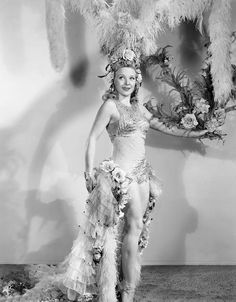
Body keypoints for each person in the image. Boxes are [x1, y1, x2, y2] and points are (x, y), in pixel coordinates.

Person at [62, 49, 207, 302]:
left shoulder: (141, 110)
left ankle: (125, 286)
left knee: (135, 228)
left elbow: (169, 128)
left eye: (131, 78)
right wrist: (88, 172)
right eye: (121, 78)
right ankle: (124, 291)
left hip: (143, 175)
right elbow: (91, 139)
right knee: (125, 229)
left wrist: (201, 132)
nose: (127, 82)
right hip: (122, 176)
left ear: (138, 81)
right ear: (114, 81)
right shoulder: (110, 105)